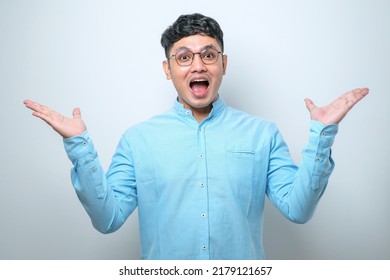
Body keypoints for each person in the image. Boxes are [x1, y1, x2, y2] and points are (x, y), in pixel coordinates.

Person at [24, 13, 368, 260]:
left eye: (209, 55)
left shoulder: (262, 134)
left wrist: (323, 134)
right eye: (184, 57)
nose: (198, 66)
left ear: (223, 64)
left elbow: (299, 209)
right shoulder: (138, 140)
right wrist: (79, 146)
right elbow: (107, 219)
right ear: (168, 69)